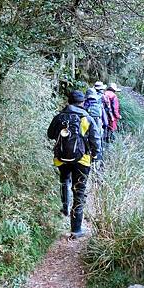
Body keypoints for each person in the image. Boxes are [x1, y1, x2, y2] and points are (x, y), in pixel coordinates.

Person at [47, 91, 102, 239]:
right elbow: (95, 140)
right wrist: (96, 155)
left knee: (64, 180)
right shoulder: (86, 118)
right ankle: (76, 229)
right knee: (79, 190)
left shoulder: (59, 117)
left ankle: (65, 208)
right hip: (82, 160)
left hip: (61, 158)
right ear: (82, 102)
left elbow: (50, 134)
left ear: (68, 101)